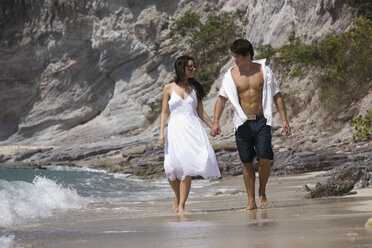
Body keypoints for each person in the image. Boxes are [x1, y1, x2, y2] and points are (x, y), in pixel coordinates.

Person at [210, 39, 290, 210]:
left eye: (237, 56)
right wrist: (216, 121)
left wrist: (284, 120)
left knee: (265, 158)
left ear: (247, 55)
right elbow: (221, 99)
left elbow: (277, 94)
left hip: (262, 121)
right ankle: (251, 200)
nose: (234, 59)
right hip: (243, 123)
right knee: (246, 162)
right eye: (233, 56)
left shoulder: (264, 71)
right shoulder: (231, 76)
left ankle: (262, 191)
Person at [158, 55, 221, 214]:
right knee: (171, 168)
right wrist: (161, 132)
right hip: (175, 130)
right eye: (190, 67)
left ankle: (182, 206)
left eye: (193, 67)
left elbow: (200, 111)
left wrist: (212, 125)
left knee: (186, 167)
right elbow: (165, 112)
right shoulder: (168, 88)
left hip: (192, 129)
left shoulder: (196, 88)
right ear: (181, 68)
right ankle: (178, 198)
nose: (194, 69)